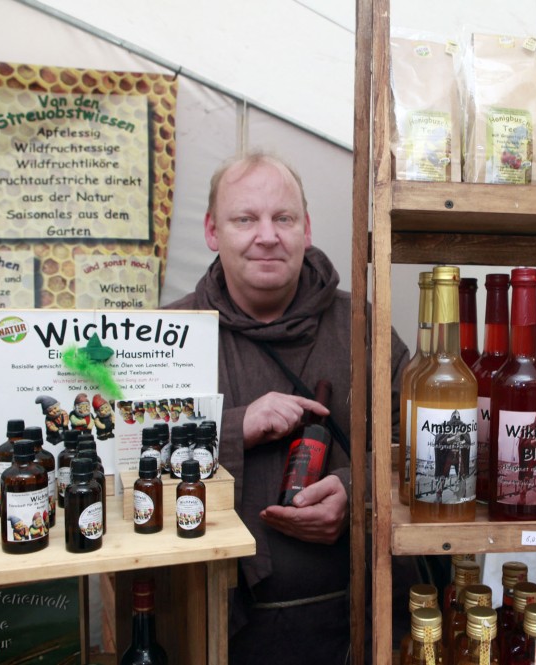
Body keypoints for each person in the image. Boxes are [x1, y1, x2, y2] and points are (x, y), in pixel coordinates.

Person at [167, 151, 410, 664]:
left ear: (307, 228)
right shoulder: (168, 336)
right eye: (244, 219)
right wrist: (234, 428)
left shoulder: (363, 328)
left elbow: (415, 447)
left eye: (283, 218)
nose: (267, 236)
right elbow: (123, 462)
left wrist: (357, 493)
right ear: (212, 231)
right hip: (211, 629)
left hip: (351, 628)